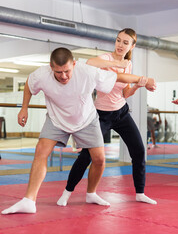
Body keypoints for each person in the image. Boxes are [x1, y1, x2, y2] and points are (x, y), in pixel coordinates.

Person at [1, 47, 156, 214]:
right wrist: (24, 108)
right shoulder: (41, 74)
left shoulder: (87, 71)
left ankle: (91, 194)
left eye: (67, 71)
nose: (64, 76)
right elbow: (29, 85)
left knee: (99, 159)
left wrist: (144, 79)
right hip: (56, 120)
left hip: (86, 120)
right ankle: (28, 201)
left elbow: (117, 76)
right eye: (58, 72)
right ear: (51, 66)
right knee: (41, 151)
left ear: (74, 64)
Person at [57, 28, 157, 207]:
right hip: (101, 115)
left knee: (139, 151)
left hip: (121, 112)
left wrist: (137, 86)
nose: (120, 45)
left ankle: (140, 193)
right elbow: (89, 62)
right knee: (87, 156)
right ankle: (67, 192)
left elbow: (124, 92)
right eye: (118, 40)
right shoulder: (105, 59)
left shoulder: (129, 64)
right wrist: (119, 66)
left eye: (125, 42)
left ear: (132, 46)